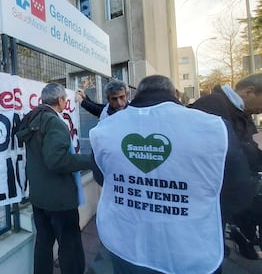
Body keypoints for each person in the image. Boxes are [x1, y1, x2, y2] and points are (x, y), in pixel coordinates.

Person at [89, 75, 253, 274]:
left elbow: (103, 178)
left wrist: (142, 197)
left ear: (135, 94)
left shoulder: (104, 130)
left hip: (125, 241)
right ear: (174, 93)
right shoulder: (213, 128)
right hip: (189, 249)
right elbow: (240, 191)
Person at [16, 83, 95, 274]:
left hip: (39, 197)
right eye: (65, 100)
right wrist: (90, 160)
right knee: (70, 246)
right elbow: (57, 161)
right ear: (60, 100)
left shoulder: (32, 118)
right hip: (60, 200)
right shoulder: (54, 123)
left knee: (43, 242)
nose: (65, 103)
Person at [189, 73, 262, 260]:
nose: (261, 110)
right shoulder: (213, 105)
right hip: (212, 194)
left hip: (228, 192)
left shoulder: (239, 110)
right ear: (250, 91)